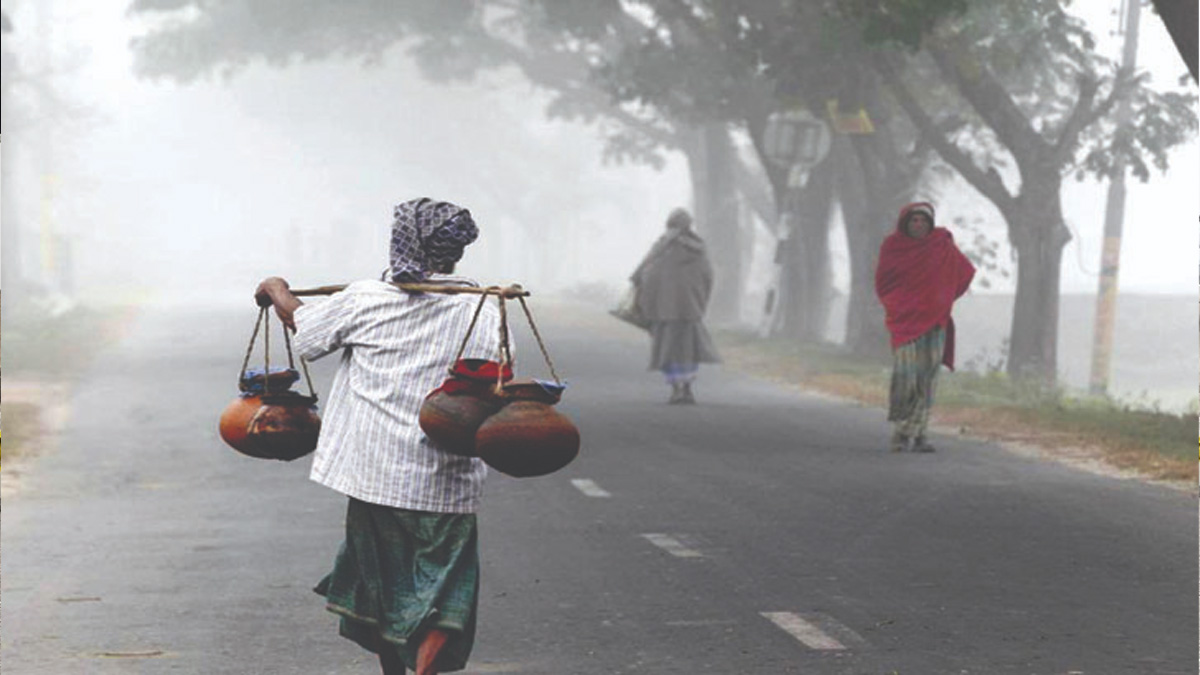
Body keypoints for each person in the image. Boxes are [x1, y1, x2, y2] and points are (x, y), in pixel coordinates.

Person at [254, 198, 503, 675]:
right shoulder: (480, 307)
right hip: (445, 476)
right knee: (443, 586)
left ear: (402, 241)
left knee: (382, 585)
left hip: (376, 473)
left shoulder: (366, 298)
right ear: (455, 251)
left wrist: (276, 288)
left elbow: (305, 330)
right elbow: (495, 375)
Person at [874, 201, 976, 453]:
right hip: (905, 322)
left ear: (930, 224)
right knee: (906, 375)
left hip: (934, 322)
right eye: (913, 220)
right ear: (905, 223)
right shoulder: (893, 247)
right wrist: (896, 306)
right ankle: (902, 428)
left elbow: (964, 272)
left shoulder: (941, 245)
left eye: (923, 221)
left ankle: (917, 433)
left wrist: (942, 298)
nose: (918, 225)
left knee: (927, 378)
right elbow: (884, 283)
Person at [631, 207, 720, 404]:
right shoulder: (699, 249)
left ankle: (676, 389)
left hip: (664, 311)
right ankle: (687, 388)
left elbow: (642, 275)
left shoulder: (661, 248)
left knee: (668, 350)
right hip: (690, 310)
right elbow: (708, 278)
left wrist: (646, 302)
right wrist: (699, 301)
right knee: (688, 350)